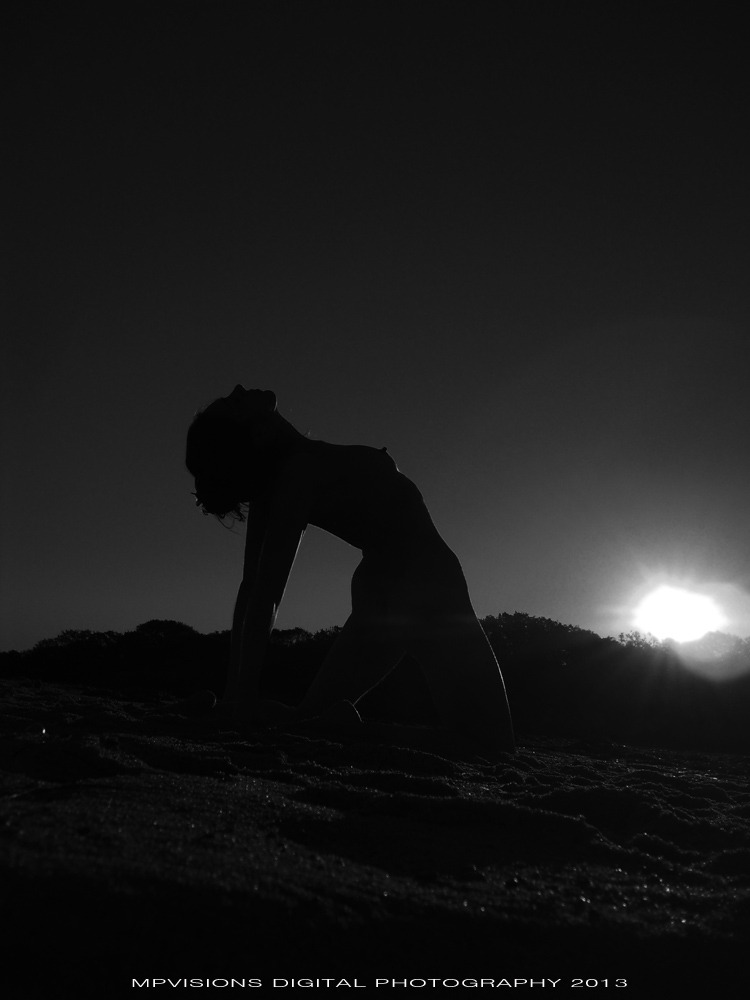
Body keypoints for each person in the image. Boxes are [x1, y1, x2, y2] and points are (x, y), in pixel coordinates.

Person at [185, 385, 514, 757]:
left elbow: (254, 588)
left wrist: (235, 696)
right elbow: (264, 593)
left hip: (381, 589)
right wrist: (240, 696)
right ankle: (355, 732)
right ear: (256, 433)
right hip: (426, 584)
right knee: (493, 747)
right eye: (235, 402)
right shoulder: (297, 474)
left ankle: (321, 725)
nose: (239, 389)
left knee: (308, 720)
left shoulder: (286, 478)